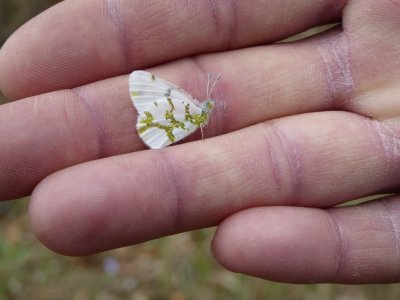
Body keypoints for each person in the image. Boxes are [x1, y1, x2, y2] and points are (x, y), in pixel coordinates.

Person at [0, 0, 399, 284]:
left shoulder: (198, 108)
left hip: (173, 129)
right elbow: (149, 88)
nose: (209, 101)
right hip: (169, 128)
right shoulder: (190, 105)